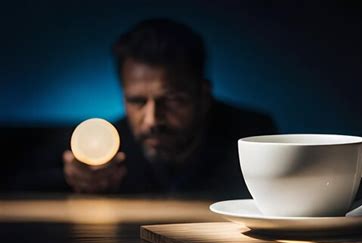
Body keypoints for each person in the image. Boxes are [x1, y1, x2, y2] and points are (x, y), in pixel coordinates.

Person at [27, 19, 276, 198]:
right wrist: (75, 180)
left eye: (172, 99)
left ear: (204, 95)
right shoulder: (102, 149)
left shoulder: (255, 138)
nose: (151, 120)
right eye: (137, 102)